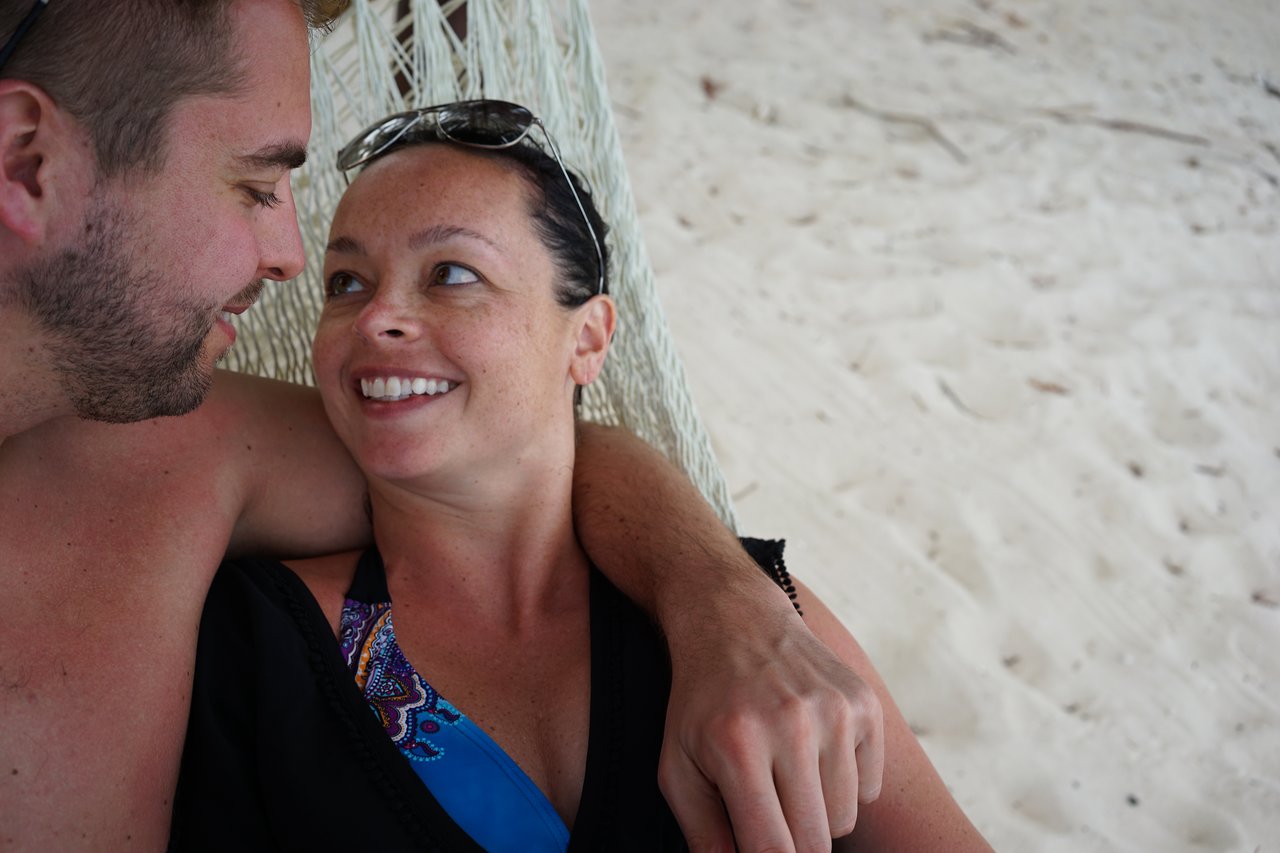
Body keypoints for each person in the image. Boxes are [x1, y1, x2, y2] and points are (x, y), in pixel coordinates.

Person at [1, 2, 886, 850]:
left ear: (591, 336)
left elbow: (517, 459)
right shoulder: (228, 597)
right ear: (25, 161)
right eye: (255, 184)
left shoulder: (157, 438)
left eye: (453, 273)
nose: (292, 260)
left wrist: (724, 600)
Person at [170, 101, 991, 851]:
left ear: (589, 338)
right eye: (347, 282)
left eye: (452, 272)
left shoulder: (745, 629)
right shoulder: (252, 645)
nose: (377, 314)